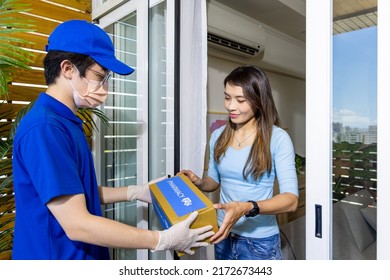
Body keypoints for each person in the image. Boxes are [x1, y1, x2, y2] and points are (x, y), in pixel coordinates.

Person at [12, 20, 214, 260]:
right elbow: (77, 224)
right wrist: (163, 239)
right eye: (99, 76)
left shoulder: (66, 121)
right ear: (68, 69)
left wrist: (134, 192)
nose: (105, 89)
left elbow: (75, 191)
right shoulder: (45, 128)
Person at [181, 65, 298, 260]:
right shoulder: (218, 136)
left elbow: (291, 200)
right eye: (227, 97)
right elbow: (214, 181)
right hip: (223, 234)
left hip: (259, 242)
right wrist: (199, 183)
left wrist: (247, 207)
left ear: (259, 101)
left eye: (240, 100)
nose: (231, 106)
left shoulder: (277, 138)